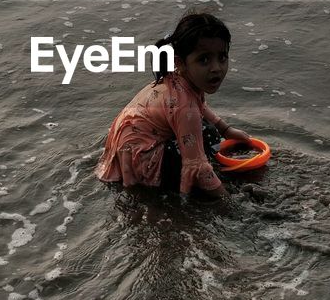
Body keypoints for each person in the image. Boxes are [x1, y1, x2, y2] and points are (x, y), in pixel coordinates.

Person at [96, 11, 251, 199]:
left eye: (222, 57)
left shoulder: (177, 80)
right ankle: (170, 193)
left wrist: (226, 130)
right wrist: (228, 200)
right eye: (204, 59)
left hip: (128, 148)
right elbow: (199, 169)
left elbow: (199, 107)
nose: (216, 68)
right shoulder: (185, 106)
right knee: (202, 143)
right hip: (141, 157)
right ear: (180, 62)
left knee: (208, 132)